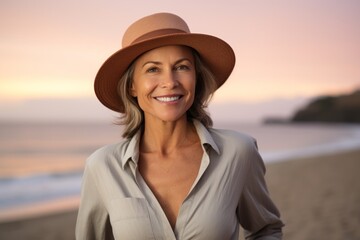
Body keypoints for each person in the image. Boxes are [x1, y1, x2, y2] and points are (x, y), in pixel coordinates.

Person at [76, 12, 284, 240]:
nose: (170, 82)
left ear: (196, 78)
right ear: (132, 87)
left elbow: (266, 229)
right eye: (153, 69)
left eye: (182, 67)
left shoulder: (238, 151)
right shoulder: (103, 166)